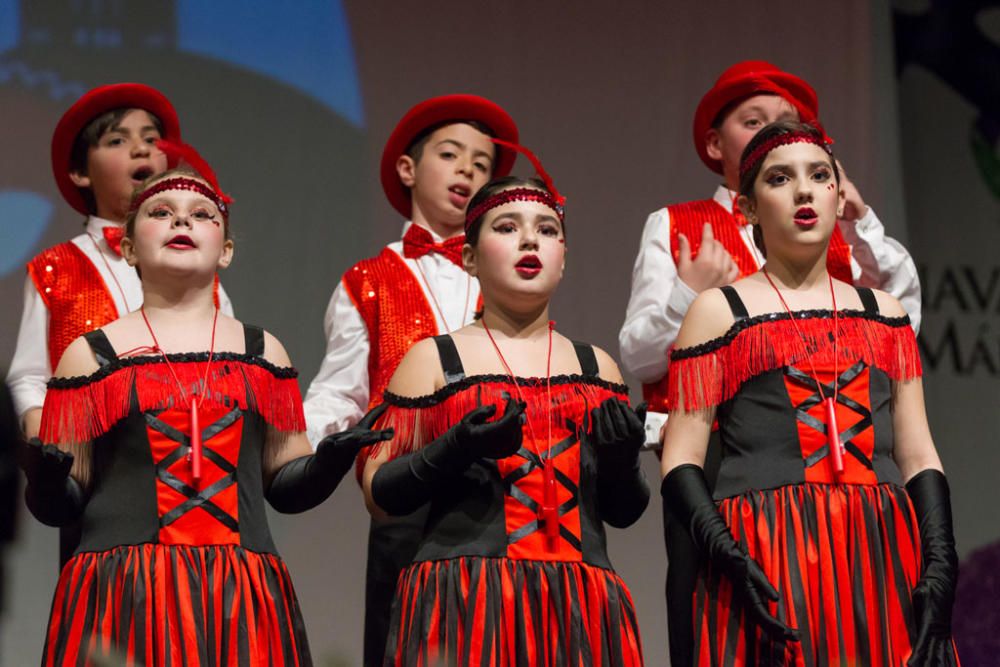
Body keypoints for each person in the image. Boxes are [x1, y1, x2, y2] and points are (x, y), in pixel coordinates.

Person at [21, 153, 390, 666]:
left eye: (202, 214)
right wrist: (43, 478)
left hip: (241, 595)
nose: (181, 221)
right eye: (161, 211)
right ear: (128, 247)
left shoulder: (263, 352)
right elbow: (64, 501)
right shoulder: (90, 355)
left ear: (227, 251)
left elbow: (285, 485)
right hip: (125, 593)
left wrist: (330, 460)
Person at [618, 61, 922, 664]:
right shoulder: (678, 224)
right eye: (752, 121)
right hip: (713, 458)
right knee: (718, 622)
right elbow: (638, 354)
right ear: (714, 143)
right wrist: (690, 294)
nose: (770, 132)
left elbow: (903, 324)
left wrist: (861, 221)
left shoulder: (834, 229)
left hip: (839, 466)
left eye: (787, 123)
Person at [660, 120, 959, 665]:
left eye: (819, 175)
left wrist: (940, 560)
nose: (803, 190)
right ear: (748, 209)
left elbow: (917, 453)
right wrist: (724, 551)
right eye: (779, 178)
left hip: (878, 546)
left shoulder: (884, 313)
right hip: (768, 545)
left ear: (836, 193)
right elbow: (680, 456)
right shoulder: (719, 311)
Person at [362, 171, 648, 665]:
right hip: (464, 599)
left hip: (578, 603)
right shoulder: (433, 360)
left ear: (564, 259)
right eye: (507, 227)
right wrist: (452, 449)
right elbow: (379, 493)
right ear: (470, 258)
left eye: (547, 229)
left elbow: (621, 513)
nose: (530, 239)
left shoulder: (595, 367)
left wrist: (622, 464)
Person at [302, 94, 518, 665]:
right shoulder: (368, 280)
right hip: (408, 493)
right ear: (407, 168)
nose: (468, 169)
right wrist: (297, 449)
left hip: (507, 490)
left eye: (482, 163)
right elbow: (340, 388)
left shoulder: (511, 271)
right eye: (451, 154)